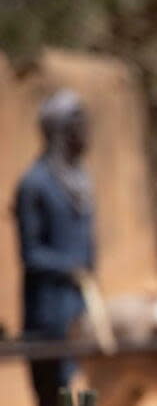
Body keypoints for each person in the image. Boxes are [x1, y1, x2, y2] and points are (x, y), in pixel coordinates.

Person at [14, 89, 95, 406]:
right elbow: (30, 253)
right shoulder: (34, 185)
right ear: (61, 131)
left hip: (80, 304)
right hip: (48, 311)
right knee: (55, 393)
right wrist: (70, 267)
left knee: (85, 388)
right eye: (77, 126)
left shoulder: (81, 181)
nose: (85, 134)